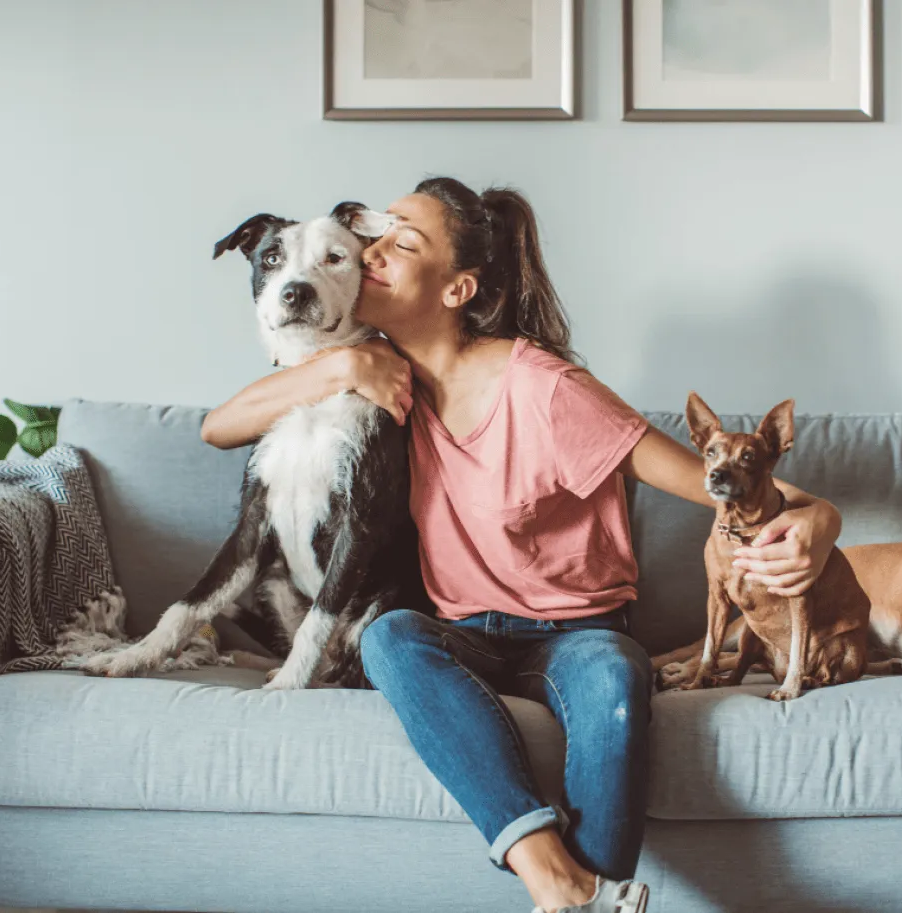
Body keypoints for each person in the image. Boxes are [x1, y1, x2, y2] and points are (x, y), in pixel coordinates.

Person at [201, 178, 840, 913]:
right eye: (376, 237)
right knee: (390, 637)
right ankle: (560, 881)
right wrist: (340, 366)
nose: (372, 251)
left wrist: (822, 517)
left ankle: (573, 896)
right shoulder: (376, 371)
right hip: (463, 633)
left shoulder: (545, 387)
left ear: (456, 288)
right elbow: (219, 426)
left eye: (401, 242)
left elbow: (713, 483)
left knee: (614, 682)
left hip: (578, 634)